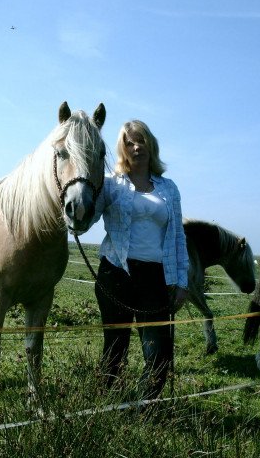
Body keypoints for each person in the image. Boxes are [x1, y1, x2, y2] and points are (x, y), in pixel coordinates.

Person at [91, 119, 189, 400]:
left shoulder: (169, 188)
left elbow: (178, 238)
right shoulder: (111, 185)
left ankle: (143, 409)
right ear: (122, 149)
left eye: (141, 141)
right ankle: (105, 408)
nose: (136, 147)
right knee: (115, 349)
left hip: (155, 277)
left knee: (159, 353)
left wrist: (181, 282)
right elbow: (87, 218)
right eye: (129, 143)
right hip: (116, 273)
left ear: (151, 145)